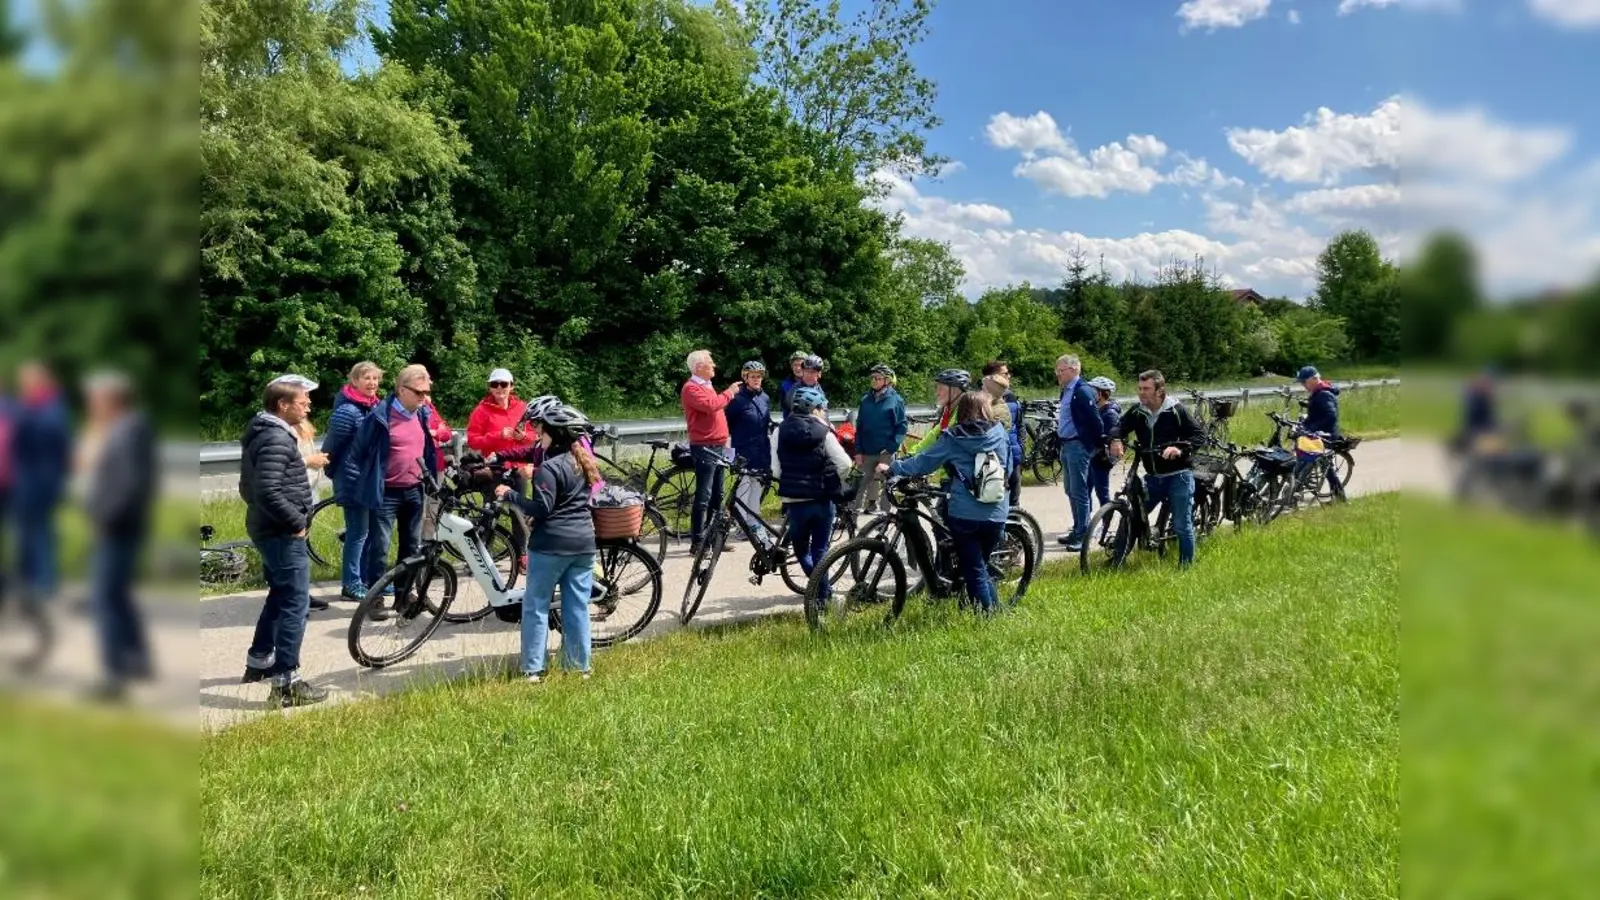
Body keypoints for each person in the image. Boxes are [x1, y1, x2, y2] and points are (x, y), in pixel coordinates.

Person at [238, 374, 329, 707]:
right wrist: (296, 523)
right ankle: (286, 683)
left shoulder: (264, 432)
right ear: (282, 405)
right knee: (295, 604)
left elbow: (247, 488)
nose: (308, 406)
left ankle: (259, 661)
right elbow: (267, 491)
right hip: (281, 530)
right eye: (302, 402)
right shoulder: (276, 439)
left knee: (280, 594)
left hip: (267, 527)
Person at [879, 391, 1011, 614]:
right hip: (997, 511)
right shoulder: (999, 433)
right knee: (979, 564)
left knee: (974, 567)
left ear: (963, 411)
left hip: (966, 514)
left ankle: (989, 618)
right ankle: (986, 606)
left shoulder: (953, 437)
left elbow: (925, 462)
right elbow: (1006, 464)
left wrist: (894, 468)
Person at [494, 405, 597, 683]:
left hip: (551, 544)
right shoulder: (582, 461)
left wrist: (511, 495)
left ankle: (533, 669)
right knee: (576, 606)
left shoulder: (548, 468)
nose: (538, 434)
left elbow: (542, 509)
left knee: (537, 605)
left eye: (542, 430)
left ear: (554, 434)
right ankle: (579, 668)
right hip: (584, 544)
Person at [81, 371, 157, 700]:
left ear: (111, 400)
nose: (90, 406)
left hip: (117, 526)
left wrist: (103, 520)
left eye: (94, 400)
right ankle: (139, 658)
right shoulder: (123, 428)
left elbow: (125, 486)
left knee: (104, 600)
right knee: (119, 594)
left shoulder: (126, 432)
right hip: (122, 525)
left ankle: (114, 677)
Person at [342, 364, 439, 619]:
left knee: (411, 546)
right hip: (386, 493)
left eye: (426, 392)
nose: (423, 397)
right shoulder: (379, 417)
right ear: (401, 390)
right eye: (418, 392)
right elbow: (356, 454)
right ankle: (375, 599)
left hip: (414, 490)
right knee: (380, 547)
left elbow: (427, 449)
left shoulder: (421, 414)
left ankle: (403, 596)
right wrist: (359, 487)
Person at [770, 386, 854, 599]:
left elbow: (775, 470)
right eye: (822, 408)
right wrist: (832, 479)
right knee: (820, 551)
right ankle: (824, 596)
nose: (824, 412)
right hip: (822, 499)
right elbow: (844, 463)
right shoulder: (824, 431)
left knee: (801, 552)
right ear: (814, 409)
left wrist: (790, 481)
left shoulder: (779, 431)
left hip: (795, 501)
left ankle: (823, 595)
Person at [1121, 370, 1202, 568]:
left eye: (1146, 389)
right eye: (1140, 388)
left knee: (1182, 525)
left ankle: (1185, 567)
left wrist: (1179, 449)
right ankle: (1117, 560)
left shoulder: (1176, 410)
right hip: (1154, 477)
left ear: (1159, 391)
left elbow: (1199, 435)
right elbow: (1120, 425)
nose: (1141, 393)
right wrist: (1116, 439)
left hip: (1178, 476)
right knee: (1132, 517)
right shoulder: (1138, 411)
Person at [320, 361, 384, 602]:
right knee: (358, 533)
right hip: (353, 479)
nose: (372, 383)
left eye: (375, 379)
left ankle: (369, 580)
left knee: (370, 533)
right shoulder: (348, 411)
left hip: (370, 479)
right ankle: (351, 584)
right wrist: (339, 474)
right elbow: (330, 449)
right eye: (366, 378)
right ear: (354, 381)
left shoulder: (375, 407)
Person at [10, 361, 71, 607]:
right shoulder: (31, 406)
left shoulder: (50, 407)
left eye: (28, 381)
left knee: (41, 532)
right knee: (25, 533)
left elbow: (52, 439)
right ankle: (27, 581)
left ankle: (44, 584)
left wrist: (23, 419)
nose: (23, 386)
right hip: (26, 479)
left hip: (42, 480)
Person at [680, 350, 741, 554]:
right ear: (699, 367)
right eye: (710, 362)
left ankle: (714, 538)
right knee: (704, 495)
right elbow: (711, 406)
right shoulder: (691, 388)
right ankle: (697, 542)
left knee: (718, 494)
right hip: (705, 447)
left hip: (718, 445)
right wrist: (729, 392)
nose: (714, 365)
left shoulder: (706, 385)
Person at [1054, 354, 1104, 551]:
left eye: (1061, 370)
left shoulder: (1082, 391)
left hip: (1077, 446)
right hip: (1066, 445)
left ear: (1074, 370)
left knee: (1079, 491)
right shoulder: (1065, 391)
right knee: (1070, 490)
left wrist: (1095, 445)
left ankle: (1083, 534)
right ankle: (1077, 529)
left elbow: (1095, 421)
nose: (1057, 374)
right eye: (1056, 370)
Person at [725, 361, 773, 540]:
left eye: (759, 376)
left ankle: (754, 524)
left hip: (761, 450)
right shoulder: (737, 400)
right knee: (743, 489)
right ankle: (740, 525)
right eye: (753, 376)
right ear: (745, 378)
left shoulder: (765, 398)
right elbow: (726, 423)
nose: (757, 379)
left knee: (756, 489)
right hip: (743, 451)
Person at [852, 363, 908, 513]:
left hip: (886, 453)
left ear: (887, 381)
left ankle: (884, 520)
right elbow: (860, 427)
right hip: (866, 452)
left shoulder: (896, 400)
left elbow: (901, 427)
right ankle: (851, 521)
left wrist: (890, 449)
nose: (875, 381)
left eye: (878, 378)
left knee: (887, 488)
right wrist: (857, 451)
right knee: (860, 486)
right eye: (873, 378)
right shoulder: (865, 400)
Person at [981, 361, 1025, 506]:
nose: (1009, 376)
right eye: (1005, 374)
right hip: (993, 459)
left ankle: (1016, 527)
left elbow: (1020, 427)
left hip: (1014, 455)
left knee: (1014, 500)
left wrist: (1021, 448)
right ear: (992, 378)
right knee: (996, 498)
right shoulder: (979, 400)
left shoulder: (1013, 399)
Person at [1296, 365, 1344, 496]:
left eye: (1304, 382)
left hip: (1326, 435)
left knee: (1324, 467)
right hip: (1317, 434)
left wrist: (1312, 427)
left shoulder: (1324, 394)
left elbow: (1330, 416)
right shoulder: (1317, 393)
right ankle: (1295, 492)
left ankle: (1341, 497)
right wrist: (1303, 425)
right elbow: (1315, 416)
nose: (1303, 385)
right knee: (1317, 465)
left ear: (1313, 379)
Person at [908, 369, 972, 456]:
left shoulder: (965, 414)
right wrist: (911, 454)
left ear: (954, 390)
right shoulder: (949, 411)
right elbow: (934, 436)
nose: (937, 393)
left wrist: (908, 463)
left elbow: (942, 448)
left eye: (940, 388)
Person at [1087, 376, 1124, 511]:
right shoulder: (1097, 409)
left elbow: (1111, 437)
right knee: (1086, 489)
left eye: (1093, 391)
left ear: (1101, 393)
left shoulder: (1110, 414)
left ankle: (1105, 524)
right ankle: (1087, 522)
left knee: (1102, 492)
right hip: (1092, 455)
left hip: (1101, 458)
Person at [779, 351, 809, 419]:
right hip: (792, 423)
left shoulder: (812, 382)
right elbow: (784, 408)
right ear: (791, 367)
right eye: (795, 365)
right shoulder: (785, 385)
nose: (798, 368)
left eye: (801, 365)